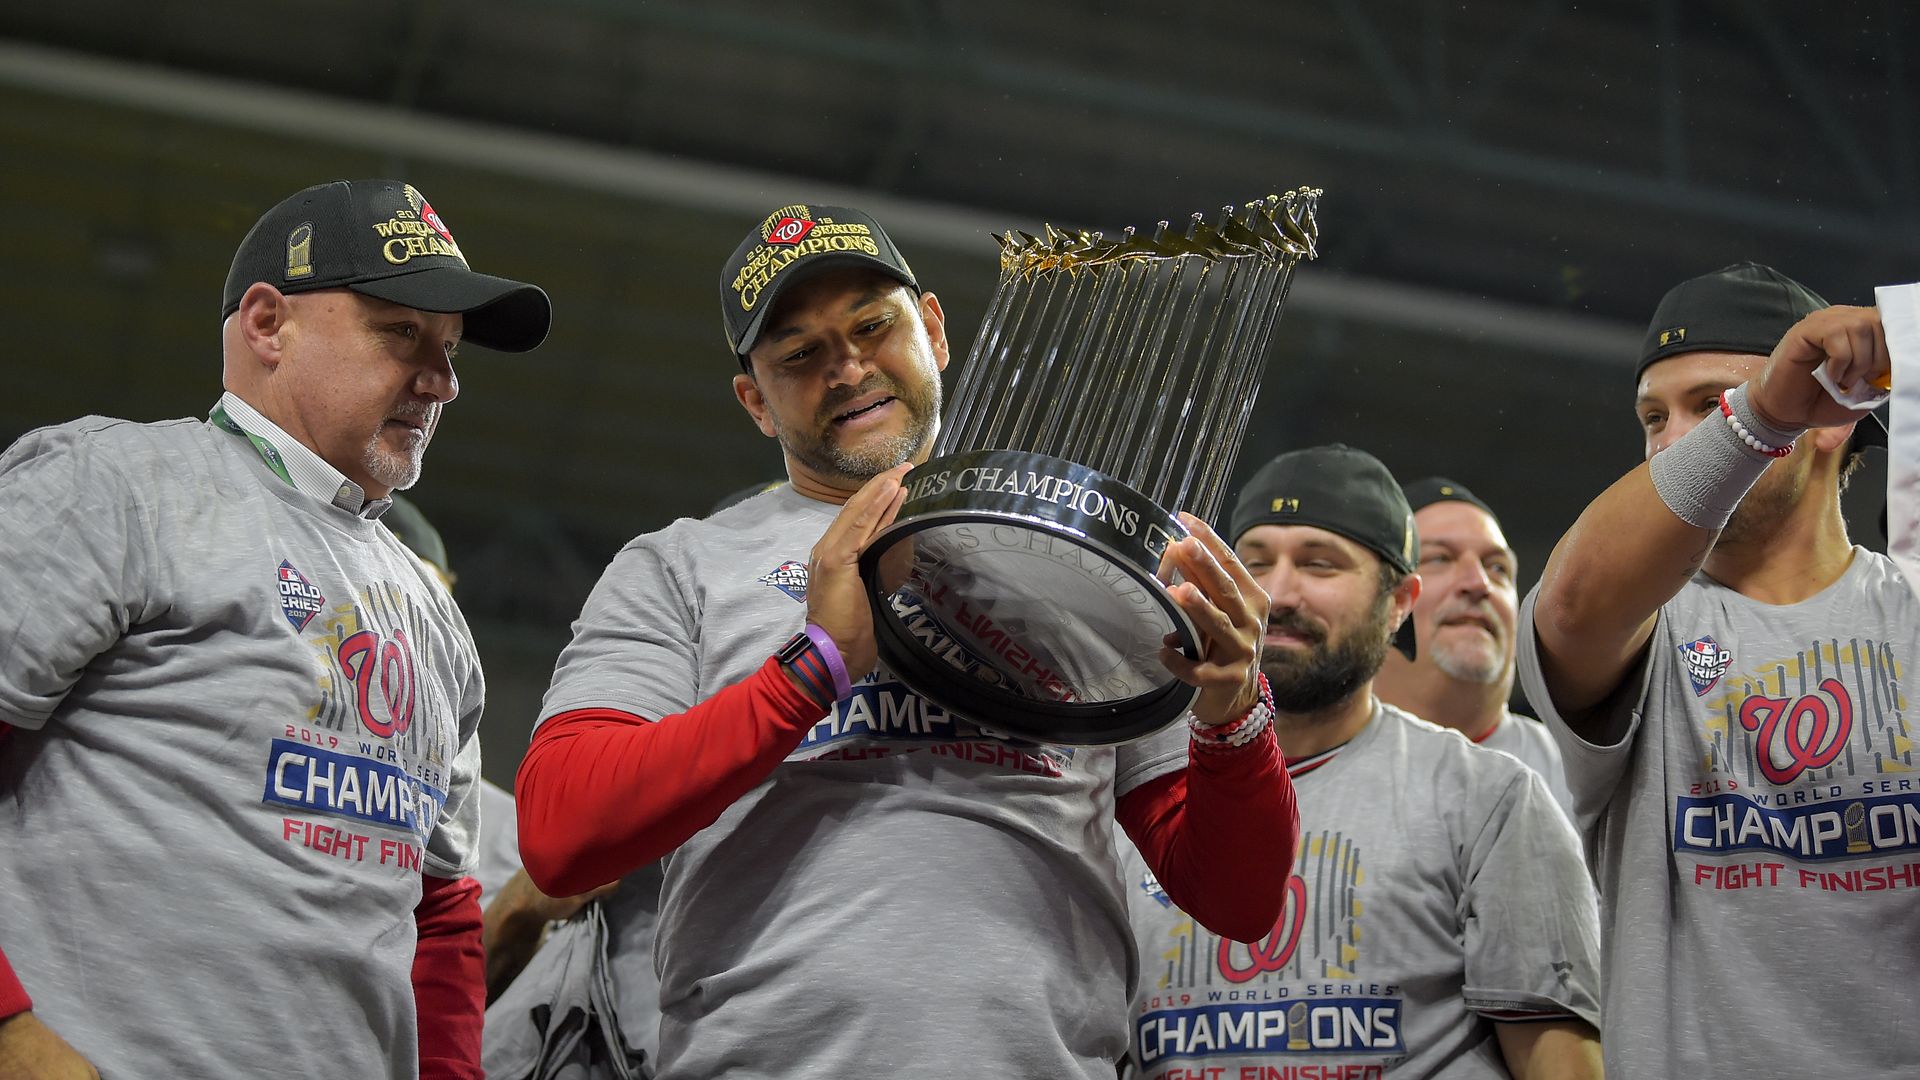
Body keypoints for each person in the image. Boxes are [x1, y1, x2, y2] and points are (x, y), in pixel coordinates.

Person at [512, 203, 1300, 1077]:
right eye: (800, 354)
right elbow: (560, 832)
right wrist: (811, 670)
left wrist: (1233, 711)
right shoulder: (680, 565)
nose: (847, 368)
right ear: (755, 403)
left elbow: (1236, 897)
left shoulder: (1081, 555)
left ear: (932, 327)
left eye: (872, 326)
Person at [0, 178, 551, 1079]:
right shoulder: (113, 488)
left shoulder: (433, 615)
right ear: (266, 325)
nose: (442, 380)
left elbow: (441, 911)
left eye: (450, 351)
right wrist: (10, 1036)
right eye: (401, 332)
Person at [1520, 262, 1913, 1077]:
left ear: (1836, 418)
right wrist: (1762, 412)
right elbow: (1569, 608)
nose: (1671, 438)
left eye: (1712, 402)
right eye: (1653, 416)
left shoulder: (1909, 613)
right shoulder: (1646, 622)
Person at [1123, 446, 1602, 1080]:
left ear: (1401, 600)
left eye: (1320, 564)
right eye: (1257, 562)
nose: (1279, 593)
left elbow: (1561, 1063)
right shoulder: (1140, 787)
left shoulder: (1489, 795)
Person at [1374, 477, 1574, 815]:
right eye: (1439, 559)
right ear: (1385, 600)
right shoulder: (1298, 761)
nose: (1479, 583)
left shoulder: (1579, 776)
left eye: (1497, 568)